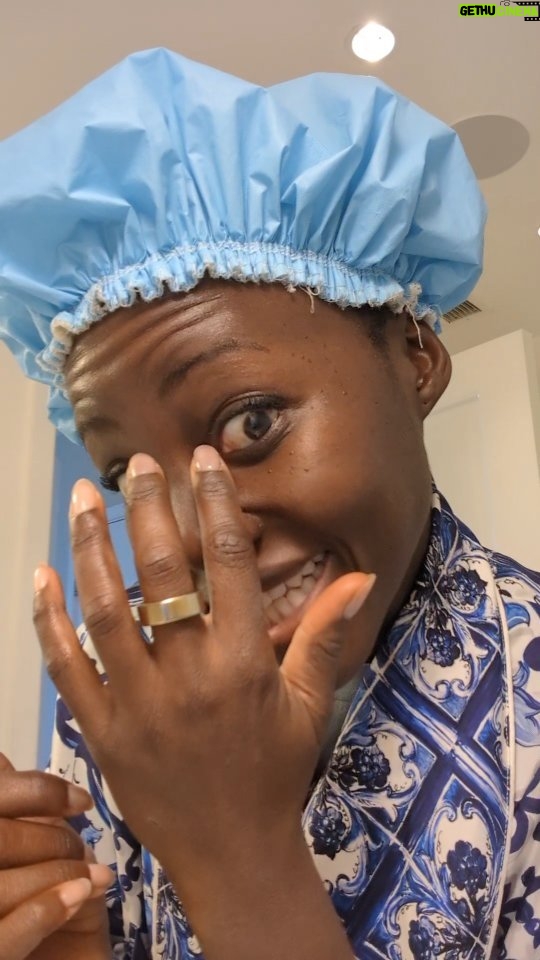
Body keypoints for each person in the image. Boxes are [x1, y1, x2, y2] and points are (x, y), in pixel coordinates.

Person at [0, 48, 539, 960]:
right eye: (129, 470)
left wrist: (238, 857)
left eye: (251, 422)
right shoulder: (121, 674)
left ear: (416, 358)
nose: (188, 538)